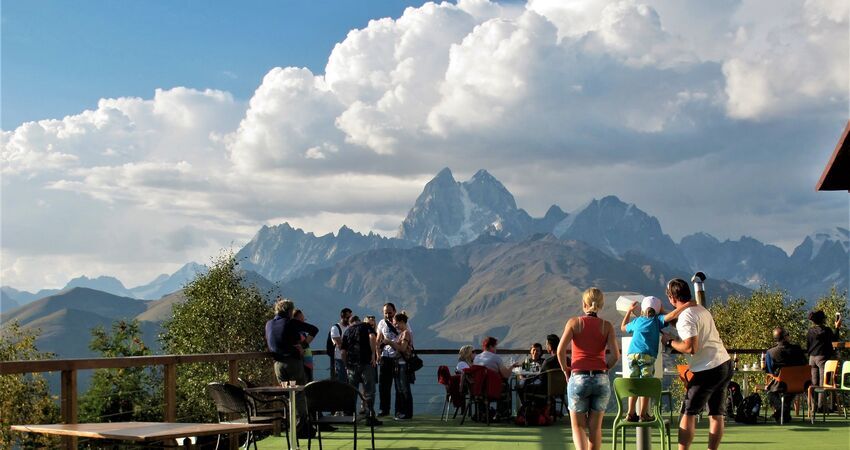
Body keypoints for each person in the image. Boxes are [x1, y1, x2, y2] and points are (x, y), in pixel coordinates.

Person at [661, 278, 732, 450]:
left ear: (671, 297)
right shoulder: (700, 310)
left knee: (688, 412)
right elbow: (683, 322)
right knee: (716, 413)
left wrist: (670, 342)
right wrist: (664, 315)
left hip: (707, 370)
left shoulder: (686, 317)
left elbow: (690, 347)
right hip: (724, 364)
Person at [556, 287, 619, 450]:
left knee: (578, 427)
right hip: (601, 379)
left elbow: (560, 350)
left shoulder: (574, 323)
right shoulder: (607, 326)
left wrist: (565, 369)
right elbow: (615, 356)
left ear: (584, 304)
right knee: (595, 428)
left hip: (578, 377)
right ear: (601, 304)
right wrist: (605, 368)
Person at [620, 296, 685, 422]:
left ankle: (630, 413)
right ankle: (643, 414)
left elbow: (623, 327)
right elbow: (672, 316)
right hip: (647, 355)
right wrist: (665, 309)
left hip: (631, 354)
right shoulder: (657, 320)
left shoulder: (637, 320)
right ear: (657, 309)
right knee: (646, 384)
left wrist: (629, 311)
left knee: (634, 383)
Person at [265, 298, 319, 438]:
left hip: (277, 364)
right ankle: (300, 429)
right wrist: (303, 345)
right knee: (299, 394)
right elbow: (314, 329)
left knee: (286, 396)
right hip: (293, 362)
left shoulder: (269, 324)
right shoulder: (290, 322)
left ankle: (290, 425)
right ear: (289, 311)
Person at [341, 315, 382, 426]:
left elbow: (343, 352)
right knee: (369, 391)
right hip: (366, 363)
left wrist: (346, 365)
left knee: (352, 391)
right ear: (358, 321)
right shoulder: (366, 325)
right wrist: (373, 355)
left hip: (352, 365)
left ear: (350, 323)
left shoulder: (347, 331)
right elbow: (372, 337)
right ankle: (369, 417)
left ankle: (349, 417)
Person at [764, 326, 807, 423]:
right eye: (788, 334)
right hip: (799, 383)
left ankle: (780, 412)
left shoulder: (771, 352)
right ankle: (784, 413)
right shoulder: (797, 349)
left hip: (781, 384)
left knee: (770, 392)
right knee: (789, 393)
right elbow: (804, 363)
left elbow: (769, 371)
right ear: (785, 337)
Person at [806, 310, 842, 412]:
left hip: (812, 358)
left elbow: (808, 345)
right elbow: (835, 339)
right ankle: (821, 407)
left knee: (813, 383)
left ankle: (813, 407)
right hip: (822, 358)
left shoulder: (810, 331)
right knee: (823, 383)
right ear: (823, 320)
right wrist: (837, 327)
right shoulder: (826, 330)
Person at [383, 312, 414, 420]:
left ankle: (407, 413)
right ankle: (402, 412)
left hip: (403, 364)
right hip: (397, 364)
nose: (395, 326)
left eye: (396, 323)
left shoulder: (406, 334)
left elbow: (402, 348)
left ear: (402, 322)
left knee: (405, 389)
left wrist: (389, 342)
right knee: (400, 389)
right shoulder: (401, 334)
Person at [375, 302, 400, 417]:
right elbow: (378, 339)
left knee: (399, 385)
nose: (388, 315)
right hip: (385, 357)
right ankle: (384, 409)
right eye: (386, 313)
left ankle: (399, 410)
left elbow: (407, 335)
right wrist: (378, 354)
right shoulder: (381, 323)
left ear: (394, 311)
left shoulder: (400, 322)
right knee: (384, 386)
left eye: (390, 312)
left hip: (398, 358)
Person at [329, 308, 352, 384]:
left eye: (350, 317)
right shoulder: (335, 328)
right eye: (348, 317)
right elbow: (340, 345)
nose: (349, 319)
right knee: (342, 381)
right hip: (339, 358)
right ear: (342, 317)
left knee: (351, 382)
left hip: (350, 359)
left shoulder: (350, 327)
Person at [293, 309, 314, 382]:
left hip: (308, 364)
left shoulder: (302, 332)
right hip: (302, 364)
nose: (303, 321)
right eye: (301, 319)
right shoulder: (295, 332)